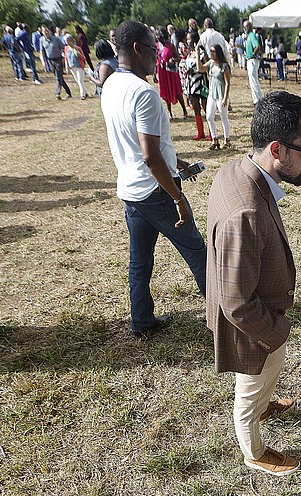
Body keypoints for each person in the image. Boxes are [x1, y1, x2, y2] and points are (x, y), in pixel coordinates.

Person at [206, 90, 301, 476]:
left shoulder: (240, 170)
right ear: (278, 149)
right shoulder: (247, 211)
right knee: (249, 389)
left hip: (262, 317)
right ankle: (253, 451)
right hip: (254, 326)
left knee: (263, 378)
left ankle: (264, 404)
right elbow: (236, 302)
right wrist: (278, 331)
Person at [100, 20, 207, 337]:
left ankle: (142, 320)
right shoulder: (145, 93)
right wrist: (177, 197)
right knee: (197, 251)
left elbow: (139, 146)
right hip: (156, 191)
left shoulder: (111, 85)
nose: (157, 56)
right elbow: (149, 155)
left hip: (130, 192)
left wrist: (178, 161)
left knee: (140, 260)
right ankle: (223, 313)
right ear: (137, 49)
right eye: (153, 49)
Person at [196, 43, 232, 150]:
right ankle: (214, 139)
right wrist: (198, 56)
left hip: (221, 94)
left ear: (218, 53)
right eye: (210, 51)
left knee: (223, 117)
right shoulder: (211, 63)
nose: (211, 53)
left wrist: (225, 98)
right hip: (212, 94)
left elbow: (228, 82)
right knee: (209, 116)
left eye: (213, 51)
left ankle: (227, 139)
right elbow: (200, 69)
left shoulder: (224, 66)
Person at [155, 27, 188, 119]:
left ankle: (184, 110)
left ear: (164, 36)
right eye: (157, 36)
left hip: (171, 71)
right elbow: (155, 60)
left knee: (177, 90)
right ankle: (169, 112)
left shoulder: (171, 46)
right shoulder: (156, 46)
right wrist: (154, 74)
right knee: (165, 91)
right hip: (162, 72)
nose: (158, 37)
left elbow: (179, 57)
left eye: (160, 35)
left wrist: (172, 59)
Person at [184, 32, 210, 141]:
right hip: (191, 84)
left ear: (194, 40)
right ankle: (200, 132)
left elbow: (206, 68)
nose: (187, 41)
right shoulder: (189, 53)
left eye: (189, 39)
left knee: (206, 108)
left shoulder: (203, 53)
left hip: (201, 83)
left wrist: (194, 70)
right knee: (195, 108)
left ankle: (211, 132)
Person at [40, 26, 71, 99]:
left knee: (58, 76)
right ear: (42, 32)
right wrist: (43, 62)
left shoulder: (56, 39)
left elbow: (64, 48)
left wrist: (64, 58)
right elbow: (42, 52)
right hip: (50, 60)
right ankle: (68, 92)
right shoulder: (41, 40)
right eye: (44, 31)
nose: (46, 32)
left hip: (59, 59)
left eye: (47, 30)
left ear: (50, 31)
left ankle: (58, 93)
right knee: (59, 77)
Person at [243, 21, 263, 104]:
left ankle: (257, 100)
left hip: (252, 60)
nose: (244, 29)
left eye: (244, 27)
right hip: (250, 59)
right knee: (253, 81)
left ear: (247, 27)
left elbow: (257, 46)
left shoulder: (252, 36)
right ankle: (257, 98)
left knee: (253, 81)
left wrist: (253, 54)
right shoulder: (250, 36)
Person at [64, 34, 89, 99]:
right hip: (72, 67)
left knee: (80, 81)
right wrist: (66, 66)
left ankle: (82, 95)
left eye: (67, 41)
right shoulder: (66, 48)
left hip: (79, 67)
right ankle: (85, 93)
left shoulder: (77, 48)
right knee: (78, 81)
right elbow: (66, 58)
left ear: (70, 40)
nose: (66, 42)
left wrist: (79, 54)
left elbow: (84, 58)